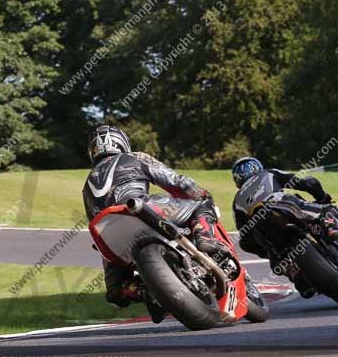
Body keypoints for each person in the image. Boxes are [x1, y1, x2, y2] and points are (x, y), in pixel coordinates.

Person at [83, 125, 225, 310]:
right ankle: (205, 237)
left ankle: (139, 290)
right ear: (122, 143)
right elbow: (176, 181)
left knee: (116, 292)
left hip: (108, 232)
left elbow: (93, 218)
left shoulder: (87, 186)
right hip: (140, 207)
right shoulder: (135, 157)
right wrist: (201, 194)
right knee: (202, 205)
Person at [231, 156, 337, 297]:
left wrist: (266, 250)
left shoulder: (237, 201)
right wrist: (322, 197)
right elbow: (309, 183)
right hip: (283, 205)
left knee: (273, 257)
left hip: (264, 232)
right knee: (327, 209)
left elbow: (245, 239)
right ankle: (332, 230)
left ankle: (293, 271)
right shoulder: (269, 173)